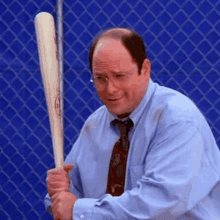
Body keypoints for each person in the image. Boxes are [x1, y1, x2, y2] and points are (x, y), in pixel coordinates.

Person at [45, 28, 220, 220]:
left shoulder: (178, 119)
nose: (110, 89)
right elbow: (68, 200)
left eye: (120, 76)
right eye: (100, 78)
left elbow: (159, 203)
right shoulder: (95, 124)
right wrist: (60, 192)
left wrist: (78, 210)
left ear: (144, 69)